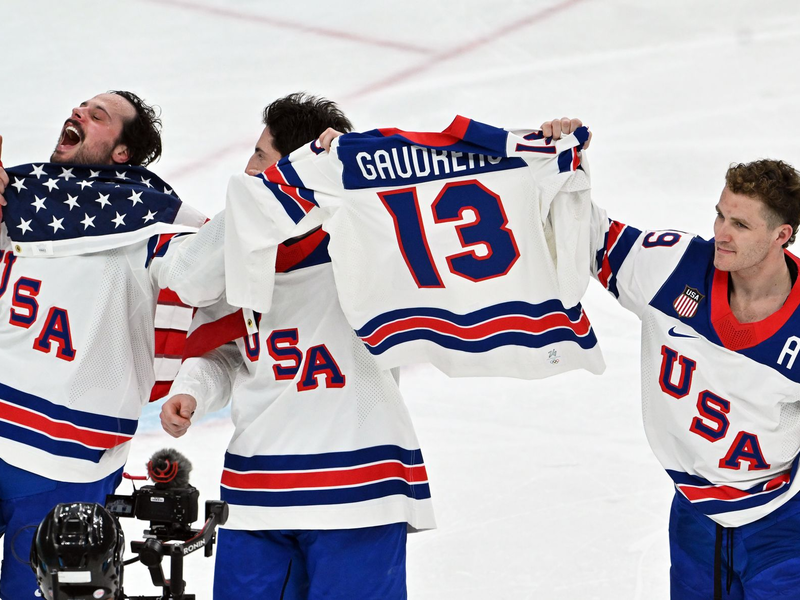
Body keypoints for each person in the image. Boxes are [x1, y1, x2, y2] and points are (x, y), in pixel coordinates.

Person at [160, 92, 436, 599]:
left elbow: (448, 199)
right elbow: (199, 298)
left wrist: (541, 156)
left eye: (262, 157)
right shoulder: (240, 252)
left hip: (359, 486)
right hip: (257, 489)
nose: (248, 167)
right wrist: (194, 387)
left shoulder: (365, 237)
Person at [542, 117, 800, 598]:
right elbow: (590, 235)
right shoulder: (672, 266)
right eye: (720, 215)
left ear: (782, 234)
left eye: (740, 224)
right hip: (693, 517)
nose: (721, 232)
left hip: (782, 526)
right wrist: (561, 167)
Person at [0, 91, 209, 599]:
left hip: (64, 460)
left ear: (121, 152)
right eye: (80, 108)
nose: (78, 114)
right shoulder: (21, 199)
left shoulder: (156, 222)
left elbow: (211, 269)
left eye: (98, 116)